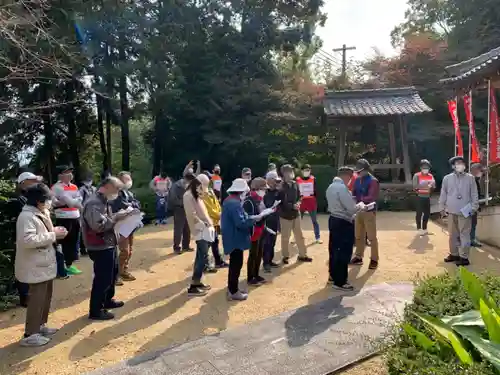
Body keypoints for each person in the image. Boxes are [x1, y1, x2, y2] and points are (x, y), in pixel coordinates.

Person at [15, 183, 67, 346]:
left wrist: (55, 232)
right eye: (47, 199)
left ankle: (40, 326)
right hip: (35, 265)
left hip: (44, 263)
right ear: (38, 201)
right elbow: (27, 240)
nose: (50, 202)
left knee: (45, 297)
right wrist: (53, 235)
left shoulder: (41, 212)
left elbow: (43, 233)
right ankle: (30, 334)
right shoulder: (26, 217)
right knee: (37, 299)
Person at [82, 176, 126, 320]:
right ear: (107, 187)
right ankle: (96, 310)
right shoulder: (94, 203)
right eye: (117, 189)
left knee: (112, 273)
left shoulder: (103, 200)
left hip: (108, 243)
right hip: (99, 246)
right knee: (103, 278)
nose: (118, 192)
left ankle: (107, 300)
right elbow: (98, 226)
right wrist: (116, 218)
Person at [221, 179, 257, 301]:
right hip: (235, 237)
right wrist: (254, 219)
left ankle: (232, 288)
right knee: (236, 264)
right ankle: (233, 291)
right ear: (241, 191)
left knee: (234, 263)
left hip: (231, 236)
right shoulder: (234, 204)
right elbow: (240, 223)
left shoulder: (230, 200)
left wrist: (250, 217)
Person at [439, 156, 479, 266]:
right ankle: (454, 254)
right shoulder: (447, 178)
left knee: (464, 234)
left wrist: (474, 207)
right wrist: (441, 208)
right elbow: (443, 194)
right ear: (453, 166)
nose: (460, 165)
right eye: (457, 163)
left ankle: (464, 257)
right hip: (451, 211)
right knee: (452, 235)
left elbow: (474, 194)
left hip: (465, 211)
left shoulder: (470, 178)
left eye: (462, 163)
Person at [11, 172, 43, 307]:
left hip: (33, 236)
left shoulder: (30, 197)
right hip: (23, 238)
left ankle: (31, 294)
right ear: (23, 183)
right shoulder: (18, 200)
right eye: (32, 181)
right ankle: (25, 297)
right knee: (24, 267)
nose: (36, 183)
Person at [326, 169, 361, 291]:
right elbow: (351, 208)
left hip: (334, 219)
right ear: (347, 176)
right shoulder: (342, 188)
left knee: (334, 249)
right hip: (343, 221)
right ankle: (340, 281)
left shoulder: (331, 186)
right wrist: (360, 206)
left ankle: (332, 275)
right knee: (344, 252)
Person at [183, 176, 214, 296]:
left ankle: (198, 282)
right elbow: (192, 214)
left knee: (200, 256)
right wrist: (202, 224)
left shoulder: (196, 194)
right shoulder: (188, 196)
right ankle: (193, 285)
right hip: (200, 230)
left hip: (205, 229)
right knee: (203, 257)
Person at [51, 165, 83, 277]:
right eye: (66, 172)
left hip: (75, 215)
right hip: (63, 217)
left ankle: (70, 264)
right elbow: (54, 202)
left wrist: (72, 201)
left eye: (70, 172)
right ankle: (62, 266)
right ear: (60, 175)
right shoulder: (56, 187)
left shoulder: (74, 186)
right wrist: (65, 202)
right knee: (64, 241)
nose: (69, 174)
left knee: (74, 241)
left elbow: (79, 198)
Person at [278, 164, 312, 264]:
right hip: (285, 215)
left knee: (299, 235)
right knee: (285, 237)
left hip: (296, 214)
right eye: (288, 171)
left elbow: (300, 196)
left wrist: (298, 203)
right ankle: (285, 256)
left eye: (291, 171)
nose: (290, 173)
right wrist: (292, 206)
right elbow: (282, 201)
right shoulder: (281, 186)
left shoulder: (295, 184)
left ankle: (302, 255)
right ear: (283, 173)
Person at [112, 171, 141, 285]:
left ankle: (124, 270)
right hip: (121, 225)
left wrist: (132, 205)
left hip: (130, 224)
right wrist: (131, 206)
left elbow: (136, 203)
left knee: (130, 250)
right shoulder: (116, 194)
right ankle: (116, 275)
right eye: (126, 179)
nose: (129, 181)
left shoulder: (128, 193)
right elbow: (121, 204)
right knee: (124, 250)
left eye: (129, 178)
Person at [350, 159, 380, 270]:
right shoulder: (357, 180)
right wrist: (352, 199)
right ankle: (358, 256)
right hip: (358, 210)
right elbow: (354, 192)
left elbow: (372, 197)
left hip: (369, 211)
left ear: (366, 170)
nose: (358, 173)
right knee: (358, 235)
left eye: (360, 171)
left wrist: (361, 200)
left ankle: (374, 259)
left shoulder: (373, 181)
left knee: (371, 237)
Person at [243, 177, 268, 285]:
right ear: (256, 188)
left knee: (259, 253)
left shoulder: (260, 200)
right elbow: (247, 217)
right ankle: (250, 277)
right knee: (253, 254)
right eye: (263, 189)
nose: (265, 192)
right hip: (253, 231)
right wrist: (257, 217)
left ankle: (256, 274)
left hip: (261, 229)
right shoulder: (249, 200)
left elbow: (262, 212)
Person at [200, 173, 228, 270]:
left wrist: (220, 212)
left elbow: (217, 204)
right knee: (206, 245)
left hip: (214, 222)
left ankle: (218, 261)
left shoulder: (211, 191)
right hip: (208, 222)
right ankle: (204, 265)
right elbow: (209, 209)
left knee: (215, 241)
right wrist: (219, 214)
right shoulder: (202, 194)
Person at [168, 170, 196, 254]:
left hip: (187, 208)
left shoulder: (189, 185)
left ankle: (186, 246)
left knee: (187, 228)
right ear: (187, 179)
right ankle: (176, 247)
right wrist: (183, 203)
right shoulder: (176, 186)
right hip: (179, 209)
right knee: (178, 229)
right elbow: (173, 199)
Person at [296, 164, 321, 244]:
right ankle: (295, 237)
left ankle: (317, 237)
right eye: (305, 170)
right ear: (301, 171)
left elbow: (316, 190)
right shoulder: (297, 179)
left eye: (308, 170)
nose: (307, 172)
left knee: (314, 221)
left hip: (311, 201)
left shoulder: (314, 179)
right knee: (297, 221)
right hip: (301, 201)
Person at [263, 171, 281, 272]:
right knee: (267, 242)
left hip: (275, 219)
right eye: (274, 180)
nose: (276, 183)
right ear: (269, 180)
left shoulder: (277, 191)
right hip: (266, 220)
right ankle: (266, 263)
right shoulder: (264, 191)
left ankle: (270, 260)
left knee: (273, 241)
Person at [412, 159, 435, 235]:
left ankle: (424, 229)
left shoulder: (430, 176)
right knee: (419, 213)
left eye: (427, 167)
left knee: (427, 214)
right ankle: (419, 228)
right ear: (421, 167)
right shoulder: (417, 175)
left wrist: (431, 186)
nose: (426, 169)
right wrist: (424, 184)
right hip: (419, 197)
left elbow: (433, 185)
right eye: (424, 167)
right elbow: (415, 187)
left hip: (427, 197)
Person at [78, 172, 97, 256]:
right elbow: (79, 201)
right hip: (84, 211)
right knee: (84, 230)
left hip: (94, 211)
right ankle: (83, 249)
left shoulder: (94, 189)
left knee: (93, 229)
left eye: (90, 180)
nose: (89, 182)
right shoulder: (82, 190)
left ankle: (92, 246)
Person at [470, 163, 484, 247]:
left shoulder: (475, 180)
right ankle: (471, 240)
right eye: (480, 170)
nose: (481, 172)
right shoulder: (471, 180)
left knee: (473, 223)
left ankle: (471, 239)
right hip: (469, 206)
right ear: (474, 170)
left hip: (473, 205)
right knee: (471, 223)